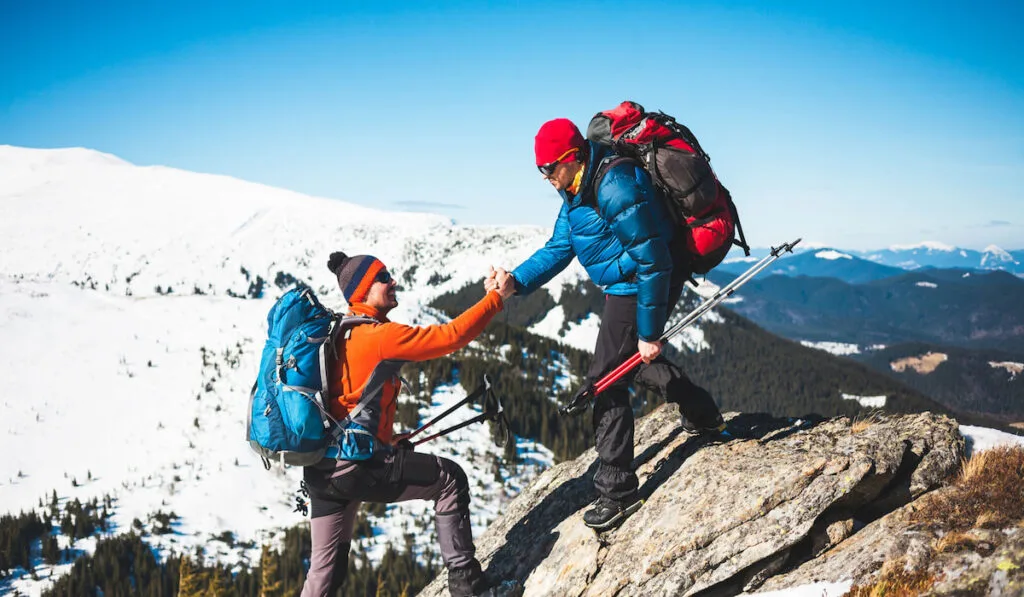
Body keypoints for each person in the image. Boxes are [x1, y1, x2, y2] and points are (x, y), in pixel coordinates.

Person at [500, 118, 726, 531]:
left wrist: (648, 332)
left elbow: (653, 259)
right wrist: (515, 282)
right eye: (540, 170)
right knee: (630, 365)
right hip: (625, 282)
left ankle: (618, 491)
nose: (545, 178)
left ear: (571, 158)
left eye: (549, 168)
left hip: (643, 281)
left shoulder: (615, 186)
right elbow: (558, 247)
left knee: (604, 380)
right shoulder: (575, 192)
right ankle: (703, 413)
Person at [301, 252, 517, 597]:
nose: (393, 281)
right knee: (449, 480)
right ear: (362, 290)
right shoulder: (378, 336)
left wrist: (385, 442)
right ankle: (469, 589)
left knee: (324, 574)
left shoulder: (341, 333)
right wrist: (495, 299)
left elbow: (347, 404)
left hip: (322, 471)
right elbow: (451, 337)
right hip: (356, 467)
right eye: (383, 277)